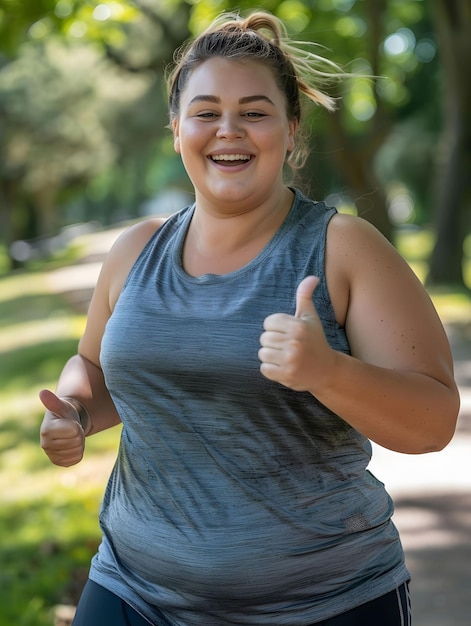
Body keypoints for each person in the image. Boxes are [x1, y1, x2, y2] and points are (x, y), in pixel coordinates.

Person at [39, 10, 460, 626]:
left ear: (291, 131)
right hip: (133, 591)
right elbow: (97, 367)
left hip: (324, 604)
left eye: (254, 113)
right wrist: (75, 411)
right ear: (177, 129)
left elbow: (433, 421)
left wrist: (327, 372)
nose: (228, 130)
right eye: (206, 112)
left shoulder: (344, 248)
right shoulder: (136, 250)